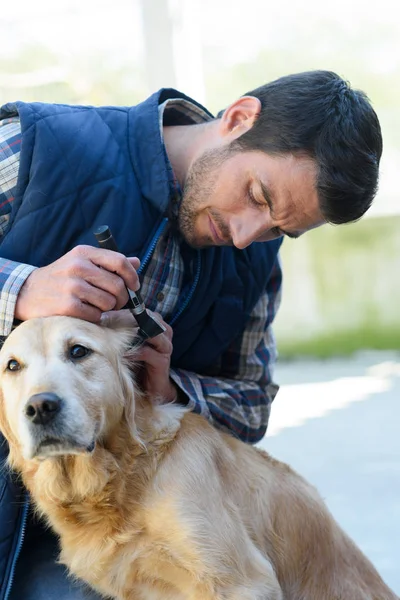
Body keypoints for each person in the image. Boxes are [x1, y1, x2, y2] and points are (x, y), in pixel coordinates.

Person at [0, 70, 382, 599]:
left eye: (279, 230)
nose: (247, 236)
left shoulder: (258, 263)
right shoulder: (37, 145)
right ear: (238, 119)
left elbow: (251, 405)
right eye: (256, 194)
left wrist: (172, 391)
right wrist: (19, 288)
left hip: (114, 531)